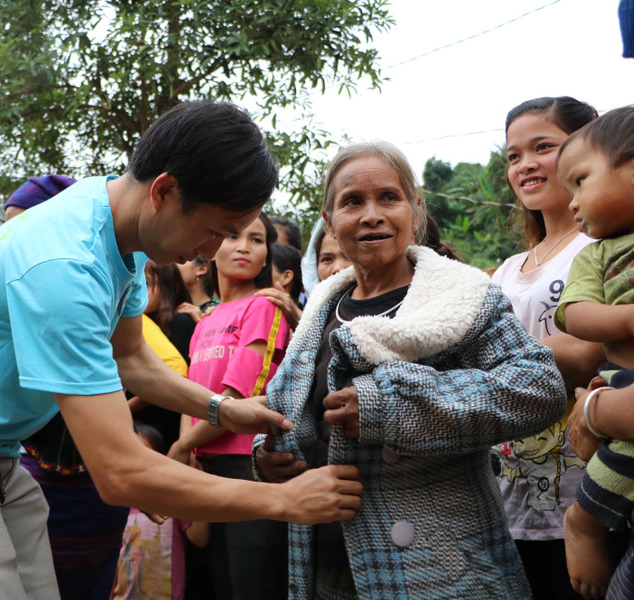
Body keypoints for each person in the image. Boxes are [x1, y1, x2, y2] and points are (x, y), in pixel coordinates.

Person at [0, 101, 364, 600]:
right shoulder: (64, 266)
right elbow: (120, 473)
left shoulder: (116, 230)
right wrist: (283, 500)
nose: (211, 254)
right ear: (164, 191)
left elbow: (130, 357)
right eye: (215, 232)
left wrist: (221, 409)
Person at [255, 141, 567, 599]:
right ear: (329, 221)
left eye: (389, 197)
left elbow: (539, 388)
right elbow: (297, 414)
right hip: (325, 566)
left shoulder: (462, 297)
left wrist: (394, 407)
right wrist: (271, 455)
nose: (372, 215)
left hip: (441, 570)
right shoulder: (320, 309)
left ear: (415, 209)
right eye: (352, 202)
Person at [490, 97, 614, 600]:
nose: (526, 164)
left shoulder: (601, 249)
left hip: (590, 498)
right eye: (513, 155)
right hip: (511, 499)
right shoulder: (506, 270)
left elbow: (585, 352)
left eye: (543, 147)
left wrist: (487, 367)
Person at [168, 212, 293, 599]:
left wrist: (183, 446)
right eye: (233, 236)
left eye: (256, 240)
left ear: (266, 254)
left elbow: (239, 395)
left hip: (248, 467)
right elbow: (189, 394)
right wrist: (188, 454)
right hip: (205, 467)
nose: (244, 247)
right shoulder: (206, 320)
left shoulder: (264, 307)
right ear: (210, 246)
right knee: (218, 585)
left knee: (252, 587)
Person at [552, 105, 634, 599]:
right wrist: (628, 319)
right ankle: (583, 521)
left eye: (580, 181)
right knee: (620, 458)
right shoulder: (597, 253)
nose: (573, 203)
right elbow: (575, 314)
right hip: (623, 382)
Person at [112, 422, 209, 600]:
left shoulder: (169, 501)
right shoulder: (116, 501)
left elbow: (200, 538)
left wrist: (200, 486)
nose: (136, 460)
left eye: (145, 452)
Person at [174, 256, 216, 323]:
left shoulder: (215, 311)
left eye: (184, 259)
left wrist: (199, 322)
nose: (173, 265)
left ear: (201, 269)